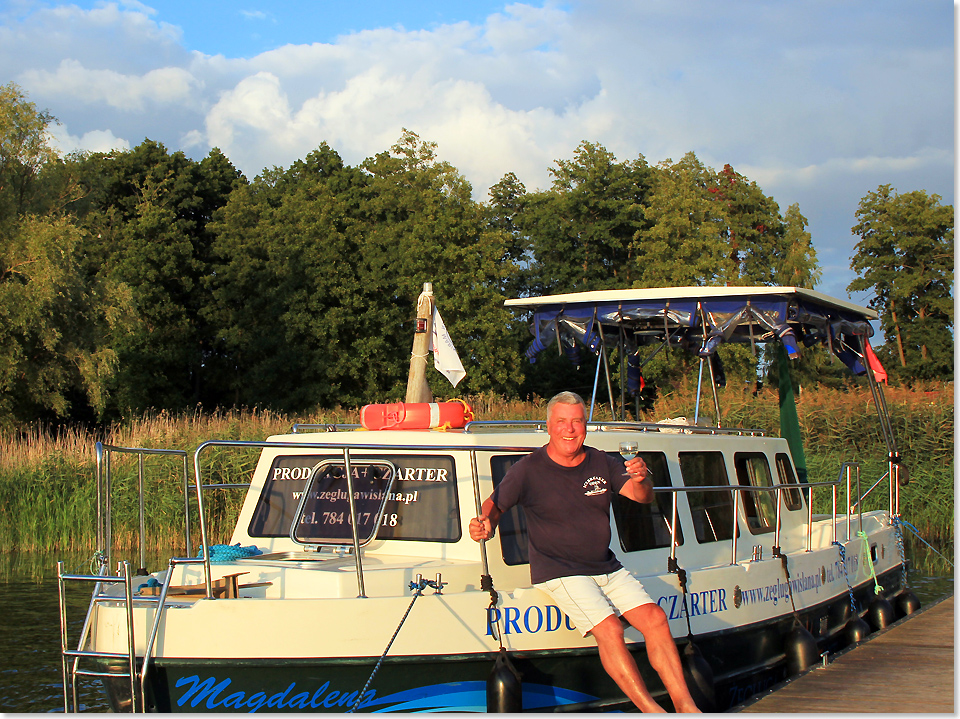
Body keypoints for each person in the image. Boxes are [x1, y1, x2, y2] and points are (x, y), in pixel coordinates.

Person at [469, 391, 701, 713]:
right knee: (610, 629)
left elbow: (642, 496)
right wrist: (484, 524)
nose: (570, 429)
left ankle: (687, 707)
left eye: (577, 421)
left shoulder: (601, 461)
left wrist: (643, 477)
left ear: (586, 426)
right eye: (562, 422)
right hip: (560, 570)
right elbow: (495, 505)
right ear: (548, 426)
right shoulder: (528, 469)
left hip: (605, 565)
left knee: (656, 619)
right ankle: (653, 711)